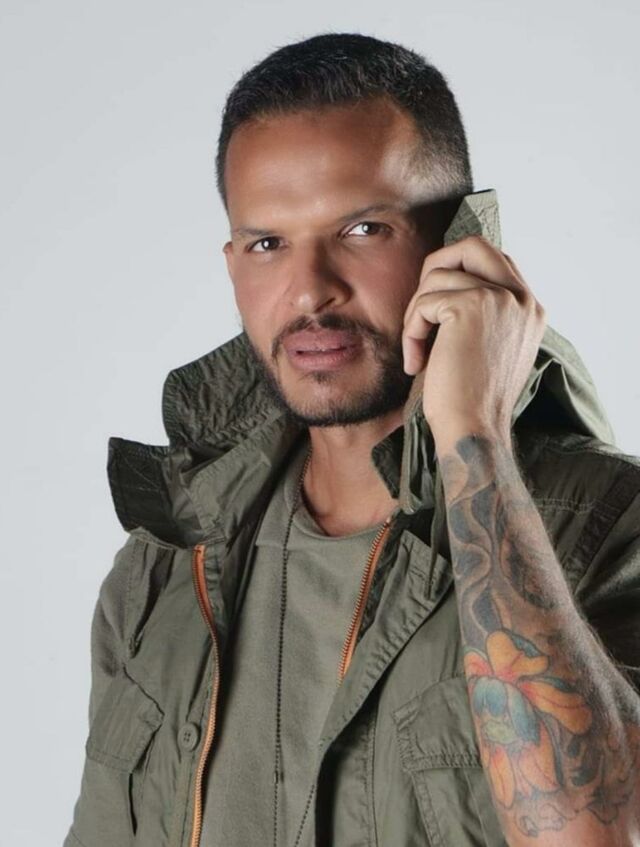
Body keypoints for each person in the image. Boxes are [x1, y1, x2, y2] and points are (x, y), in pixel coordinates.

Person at [64, 32, 640, 847]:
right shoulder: (162, 570)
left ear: (462, 245)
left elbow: (593, 834)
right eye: (268, 244)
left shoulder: (605, 524)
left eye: (363, 229)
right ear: (232, 264)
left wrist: (473, 433)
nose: (309, 291)